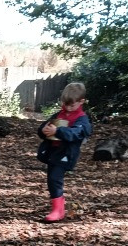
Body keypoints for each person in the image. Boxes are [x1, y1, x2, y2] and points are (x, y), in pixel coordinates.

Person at [36, 81, 92, 222]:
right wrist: (44, 130)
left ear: (81, 102)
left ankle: (57, 210)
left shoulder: (82, 119)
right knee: (52, 179)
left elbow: (76, 133)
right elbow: (47, 125)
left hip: (66, 153)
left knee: (55, 178)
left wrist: (59, 131)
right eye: (65, 104)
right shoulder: (60, 114)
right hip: (53, 151)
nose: (67, 108)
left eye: (71, 105)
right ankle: (58, 208)